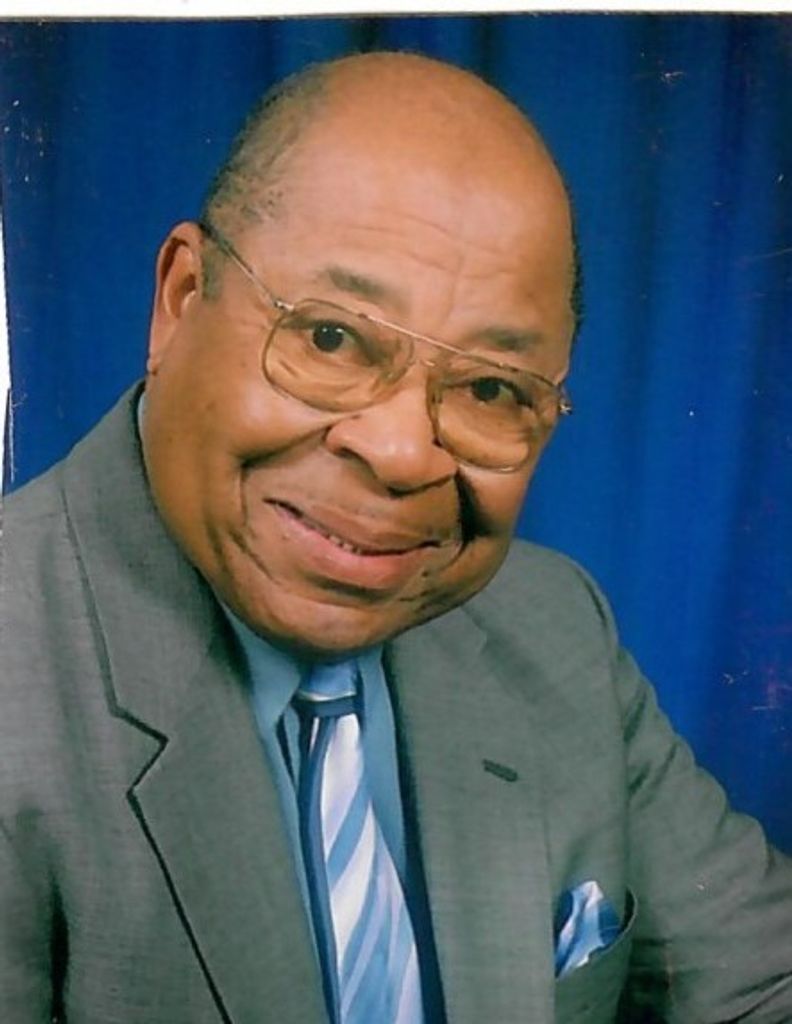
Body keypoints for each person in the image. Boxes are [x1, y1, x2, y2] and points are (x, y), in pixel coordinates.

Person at [2, 51, 791, 1024]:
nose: (402, 451)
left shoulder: (552, 626)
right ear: (180, 299)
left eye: (491, 389)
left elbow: (765, 982)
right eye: (331, 338)